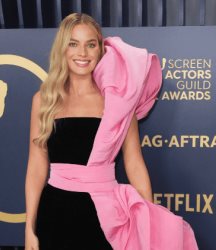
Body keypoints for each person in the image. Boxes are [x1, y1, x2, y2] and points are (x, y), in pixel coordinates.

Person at [25, 13, 198, 250]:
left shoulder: (119, 100)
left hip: (105, 218)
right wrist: (29, 227)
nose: (82, 53)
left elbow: (135, 163)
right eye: (73, 44)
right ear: (62, 49)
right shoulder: (44, 100)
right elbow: (36, 166)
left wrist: (148, 228)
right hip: (54, 214)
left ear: (101, 50)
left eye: (90, 44)